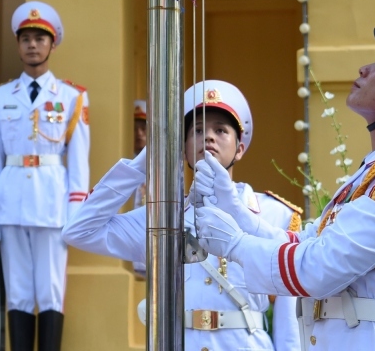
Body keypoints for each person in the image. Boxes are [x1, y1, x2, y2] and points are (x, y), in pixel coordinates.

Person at [192, 3, 375, 351]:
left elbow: (319, 269)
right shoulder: (374, 174)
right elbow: (307, 244)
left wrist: (236, 245)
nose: (365, 68)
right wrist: (235, 209)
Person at [63, 80, 301, 351]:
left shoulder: (274, 214)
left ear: (240, 148)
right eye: (197, 130)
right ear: (183, 148)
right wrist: (142, 164)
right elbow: (78, 231)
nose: (208, 137)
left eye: (220, 130)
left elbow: (289, 321)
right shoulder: (162, 219)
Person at [0, 2, 90, 351]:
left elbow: (79, 162)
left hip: (53, 204)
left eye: (40, 38)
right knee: (18, 293)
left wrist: (76, 213)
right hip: (10, 203)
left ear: (52, 44)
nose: (32, 45)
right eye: (25, 38)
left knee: (51, 291)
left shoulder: (72, 98)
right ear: (18, 44)